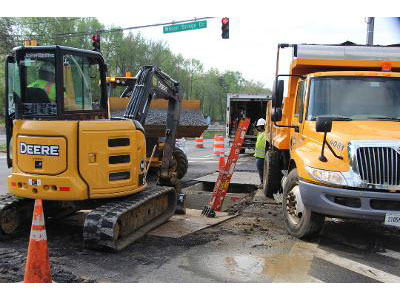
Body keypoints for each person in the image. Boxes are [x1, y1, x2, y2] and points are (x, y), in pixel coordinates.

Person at [254, 118, 266, 188]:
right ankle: (262, 182)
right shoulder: (260, 133)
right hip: (258, 156)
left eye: (259, 126)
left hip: (262, 157)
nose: (258, 127)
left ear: (262, 126)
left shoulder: (265, 133)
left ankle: (262, 182)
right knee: (260, 170)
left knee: (262, 171)